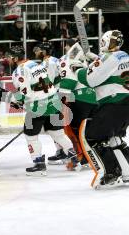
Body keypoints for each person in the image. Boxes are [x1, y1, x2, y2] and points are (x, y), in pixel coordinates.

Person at [9, 45, 76, 176]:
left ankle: (39, 165)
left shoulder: (19, 71)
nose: (8, 59)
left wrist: (15, 101)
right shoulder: (37, 64)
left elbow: (24, 92)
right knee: (58, 134)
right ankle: (74, 157)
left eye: (10, 57)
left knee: (31, 136)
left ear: (15, 57)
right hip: (53, 102)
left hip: (37, 106)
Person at [75, 30, 129, 188]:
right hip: (126, 102)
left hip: (114, 102)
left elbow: (91, 80)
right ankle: (126, 172)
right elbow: (109, 68)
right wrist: (96, 61)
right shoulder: (125, 56)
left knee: (93, 137)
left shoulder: (109, 57)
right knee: (115, 138)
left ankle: (111, 174)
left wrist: (78, 69)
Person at [58, 40, 97, 169]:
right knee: (89, 132)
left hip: (80, 100)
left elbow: (68, 82)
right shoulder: (87, 62)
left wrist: (61, 102)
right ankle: (94, 157)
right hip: (94, 100)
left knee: (75, 131)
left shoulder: (67, 60)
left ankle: (83, 158)